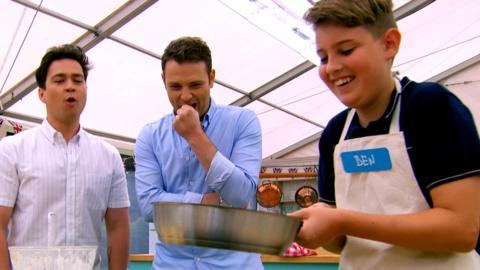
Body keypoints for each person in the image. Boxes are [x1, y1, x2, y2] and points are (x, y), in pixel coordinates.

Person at [290, 0, 480, 269]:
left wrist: (341, 220)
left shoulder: (430, 108)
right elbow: (343, 241)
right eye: (323, 57)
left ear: (389, 44)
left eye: (345, 50)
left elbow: (461, 230)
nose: (331, 67)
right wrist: (314, 228)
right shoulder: (335, 134)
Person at [135, 36, 263, 269]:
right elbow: (148, 205)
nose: (185, 96)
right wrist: (206, 201)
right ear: (163, 81)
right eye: (175, 86)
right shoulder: (150, 135)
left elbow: (241, 195)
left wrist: (195, 135)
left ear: (211, 78)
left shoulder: (243, 122)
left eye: (195, 85)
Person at [0, 44, 130, 270]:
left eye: (77, 80)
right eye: (59, 81)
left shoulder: (108, 157)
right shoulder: (12, 150)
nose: (70, 87)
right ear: (42, 93)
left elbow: (118, 226)